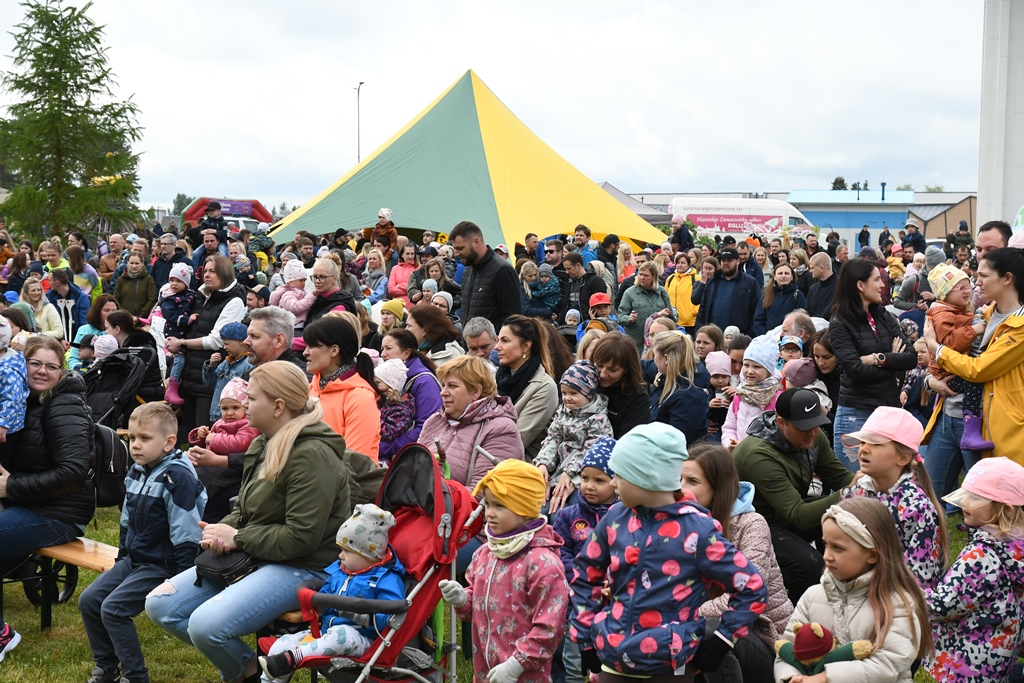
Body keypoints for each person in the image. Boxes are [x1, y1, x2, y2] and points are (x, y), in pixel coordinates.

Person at [145, 361, 355, 683]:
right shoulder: (263, 443)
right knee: (160, 606)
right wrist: (220, 531)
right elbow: (244, 508)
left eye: (252, 398)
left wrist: (238, 538)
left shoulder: (313, 454)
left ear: (278, 406)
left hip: (305, 565)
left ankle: (242, 676)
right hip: (259, 554)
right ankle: (248, 668)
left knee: (205, 626)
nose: (244, 404)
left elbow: (302, 537)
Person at [569, 424, 768, 682]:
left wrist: (720, 642)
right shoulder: (616, 518)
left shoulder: (697, 530)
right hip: (612, 660)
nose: (614, 483)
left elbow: (751, 587)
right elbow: (585, 573)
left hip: (670, 668)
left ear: (647, 478)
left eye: (620, 475)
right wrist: (585, 637)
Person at [79, 403, 206, 683]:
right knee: (90, 601)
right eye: (132, 438)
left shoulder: (177, 477)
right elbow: (126, 519)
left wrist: (182, 579)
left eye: (144, 439)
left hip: (163, 565)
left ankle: (136, 676)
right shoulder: (138, 470)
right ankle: (106, 668)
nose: (135, 445)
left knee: (113, 610)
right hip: (134, 560)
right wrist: (122, 558)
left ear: (169, 442)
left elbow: (186, 532)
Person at [0, 336, 95, 659]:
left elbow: (72, 473)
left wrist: (10, 487)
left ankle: (1, 636)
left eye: (51, 366)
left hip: (59, 513)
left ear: (61, 371)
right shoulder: (20, 401)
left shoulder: (65, 405)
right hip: (27, 503)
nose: (41, 371)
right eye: (34, 363)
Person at [774, 498, 931, 683]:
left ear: (871, 555)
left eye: (838, 548)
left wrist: (826, 678)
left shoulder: (897, 603)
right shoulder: (812, 597)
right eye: (826, 545)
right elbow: (787, 651)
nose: (826, 556)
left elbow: (888, 664)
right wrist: (792, 677)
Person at [438, 460, 568, 683]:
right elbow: (477, 604)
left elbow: (551, 626)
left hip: (525, 676)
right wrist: (462, 600)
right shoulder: (484, 554)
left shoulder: (543, 562)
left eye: (499, 506)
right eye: (487, 504)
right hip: (486, 673)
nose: (489, 513)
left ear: (525, 508)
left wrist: (517, 665)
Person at [682, 444, 794, 683]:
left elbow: (751, 595)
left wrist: (683, 615)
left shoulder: (751, 524)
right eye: (679, 479)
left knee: (713, 630)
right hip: (701, 626)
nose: (682, 489)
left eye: (692, 481)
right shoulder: (681, 524)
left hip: (765, 641)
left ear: (718, 487)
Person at [732, 389, 855, 602]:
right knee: (811, 566)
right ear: (781, 423)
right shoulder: (758, 454)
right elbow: (799, 515)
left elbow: (840, 477)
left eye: (816, 424)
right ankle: (795, 612)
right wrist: (851, 491)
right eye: (803, 427)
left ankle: (843, 595)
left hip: (783, 516)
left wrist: (871, 483)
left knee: (845, 518)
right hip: (749, 527)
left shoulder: (814, 436)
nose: (812, 433)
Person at [259, 504, 406, 680]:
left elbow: (390, 616)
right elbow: (326, 594)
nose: (340, 556)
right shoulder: (341, 572)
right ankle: (274, 669)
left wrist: (356, 613)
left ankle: (292, 659)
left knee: (341, 634)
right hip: (326, 632)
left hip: (365, 641)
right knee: (284, 642)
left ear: (368, 555)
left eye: (346, 551)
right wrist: (316, 602)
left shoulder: (386, 579)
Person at [926, 457, 1024, 682]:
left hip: (961, 663)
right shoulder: (1017, 548)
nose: (964, 504)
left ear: (1006, 510)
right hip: (997, 661)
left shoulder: (981, 555)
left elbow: (941, 606)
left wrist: (912, 595)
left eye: (974, 498)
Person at [840, 406, 947, 593]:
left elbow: (919, 579)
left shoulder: (917, 507)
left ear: (903, 457)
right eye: (863, 442)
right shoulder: (856, 492)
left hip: (896, 604)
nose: (864, 449)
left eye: (875, 443)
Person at [828, 258, 916, 467]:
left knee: (887, 481)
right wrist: (894, 363)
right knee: (854, 485)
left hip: (889, 412)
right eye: (877, 279)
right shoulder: (840, 323)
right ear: (860, 285)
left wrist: (880, 359)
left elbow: (911, 358)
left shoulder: (883, 315)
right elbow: (856, 371)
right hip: (856, 413)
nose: (883, 284)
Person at [551, 438, 617, 683]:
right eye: (585, 478)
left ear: (617, 481)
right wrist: (580, 576)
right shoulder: (569, 515)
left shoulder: (624, 516)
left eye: (599, 480)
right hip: (573, 597)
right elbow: (559, 551)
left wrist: (610, 580)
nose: (589, 486)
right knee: (568, 652)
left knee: (603, 657)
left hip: (611, 602)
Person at [170, 254, 247, 441]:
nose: (207, 275)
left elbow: (217, 340)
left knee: (204, 434)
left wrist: (183, 343)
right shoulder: (200, 295)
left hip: (208, 379)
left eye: (213, 271)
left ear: (225, 273)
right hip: (188, 374)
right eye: (205, 271)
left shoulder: (234, 300)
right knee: (190, 434)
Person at [419, 354, 523, 491]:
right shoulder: (435, 420)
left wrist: (428, 495)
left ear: (475, 391)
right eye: (443, 385)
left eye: (452, 386)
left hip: (460, 511)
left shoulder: (500, 430)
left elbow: (482, 493)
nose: (443, 393)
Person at [533, 360, 613, 514]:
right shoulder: (563, 411)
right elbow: (552, 438)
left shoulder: (598, 419)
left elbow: (591, 450)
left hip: (579, 476)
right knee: (539, 511)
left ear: (589, 393)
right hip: (556, 472)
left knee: (560, 515)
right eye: (564, 393)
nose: (567, 398)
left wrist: (569, 473)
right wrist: (543, 463)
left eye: (574, 393)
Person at [303, 315, 381, 461]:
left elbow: (354, 461)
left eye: (312, 346)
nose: (305, 352)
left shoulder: (360, 397)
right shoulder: (311, 388)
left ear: (334, 350)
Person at [494, 315, 559, 461]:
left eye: (505, 341)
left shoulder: (545, 387)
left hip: (520, 467)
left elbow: (517, 440)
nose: (497, 347)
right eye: (498, 340)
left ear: (525, 346)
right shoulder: (497, 378)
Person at [378, 329, 442, 458]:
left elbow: (427, 427)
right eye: (382, 348)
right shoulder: (386, 378)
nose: (383, 354)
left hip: (411, 458)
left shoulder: (425, 381)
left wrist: (381, 448)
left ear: (406, 353)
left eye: (388, 348)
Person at [450, 221, 522, 331]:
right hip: (470, 346)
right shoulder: (468, 269)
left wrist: (489, 342)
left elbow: (512, 320)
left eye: (460, 248)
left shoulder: (503, 271)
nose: (456, 253)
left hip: (492, 346)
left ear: (476, 242)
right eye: (455, 248)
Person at [645, 330, 709, 445]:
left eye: (655, 355)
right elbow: (644, 366)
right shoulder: (666, 376)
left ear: (666, 359)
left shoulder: (689, 397)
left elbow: (676, 442)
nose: (653, 360)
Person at [722, 336, 781, 450]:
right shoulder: (741, 394)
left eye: (757, 366)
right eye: (746, 365)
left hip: (761, 457)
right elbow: (729, 427)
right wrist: (730, 443)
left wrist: (747, 449)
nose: (749, 371)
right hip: (738, 455)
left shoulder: (776, 398)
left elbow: (777, 436)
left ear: (769, 370)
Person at [592, 332, 651, 438]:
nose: (603, 374)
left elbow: (629, 444)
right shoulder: (585, 384)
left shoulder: (638, 399)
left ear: (626, 369)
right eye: (599, 365)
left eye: (612, 370)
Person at [695, 248, 763, 335]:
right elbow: (703, 309)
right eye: (723, 260)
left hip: (738, 337)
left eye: (729, 260)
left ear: (738, 261)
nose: (726, 263)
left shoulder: (750, 283)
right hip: (713, 336)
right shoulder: (713, 281)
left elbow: (757, 310)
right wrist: (700, 330)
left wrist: (749, 334)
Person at [188, 377, 259, 456]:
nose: (229, 413)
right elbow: (208, 440)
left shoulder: (249, 424)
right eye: (225, 408)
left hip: (231, 464)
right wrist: (202, 436)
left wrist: (213, 439)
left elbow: (240, 443)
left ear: (246, 407)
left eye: (235, 408)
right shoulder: (219, 422)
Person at [160, 264, 198, 405]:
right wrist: (188, 320)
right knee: (179, 358)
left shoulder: (189, 295)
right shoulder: (168, 298)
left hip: (183, 333)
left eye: (179, 281)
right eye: (172, 280)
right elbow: (171, 316)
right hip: (174, 331)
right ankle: (172, 386)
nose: (174, 284)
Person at [200, 322, 252, 423]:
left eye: (227, 344)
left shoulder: (249, 364)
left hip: (235, 418)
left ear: (241, 341)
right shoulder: (226, 362)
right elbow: (209, 384)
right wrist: (211, 366)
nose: (224, 347)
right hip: (218, 414)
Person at [618, 262, 676, 350]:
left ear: (653, 277)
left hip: (657, 343)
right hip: (636, 343)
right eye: (640, 274)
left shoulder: (661, 292)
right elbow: (621, 317)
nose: (642, 278)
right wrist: (629, 319)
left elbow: (671, 317)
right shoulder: (630, 293)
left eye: (646, 275)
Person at [373, 359, 416, 465]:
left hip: (385, 461)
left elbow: (387, 433)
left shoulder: (401, 412)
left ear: (391, 386)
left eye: (378, 383)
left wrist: (370, 418)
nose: (375, 386)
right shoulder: (385, 403)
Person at [753, 263, 805, 335]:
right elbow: (758, 319)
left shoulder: (798, 295)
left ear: (792, 276)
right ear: (774, 276)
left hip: (788, 338)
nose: (783, 276)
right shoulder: (766, 294)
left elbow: (800, 321)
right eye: (780, 273)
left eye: (786, 273)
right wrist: (764, 336)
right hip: (767, 339)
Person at [269, 259, 315, 342]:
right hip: (293, 327)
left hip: (300, 325)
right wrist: (312, 296)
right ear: (290, 281)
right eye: (300, 280)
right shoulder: (288, 294)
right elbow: (295, 307)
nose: (303, 283)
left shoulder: (302, 291)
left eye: (304, 280)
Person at [805, 253, 837, 320]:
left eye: (812, 268)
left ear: (821, 268)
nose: (810, 271)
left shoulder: (842, 287)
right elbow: (807, 311)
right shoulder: (813, 289)